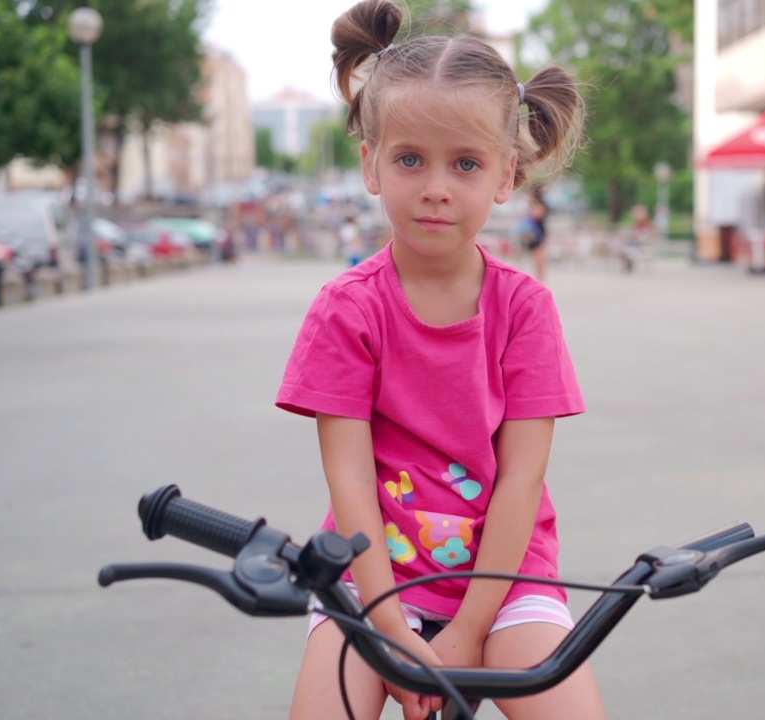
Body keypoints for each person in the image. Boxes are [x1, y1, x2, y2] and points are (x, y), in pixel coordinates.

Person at [276, 2, 596, 719]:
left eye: (467, 164)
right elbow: (351, 476)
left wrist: (467, 633)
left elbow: (521, 479)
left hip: (505, 577)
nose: (437, 187)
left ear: (506, 176)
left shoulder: (525, 310)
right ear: (371, 163)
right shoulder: (347, 308)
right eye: (411, 159)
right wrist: (390, 634)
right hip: (371, 575)